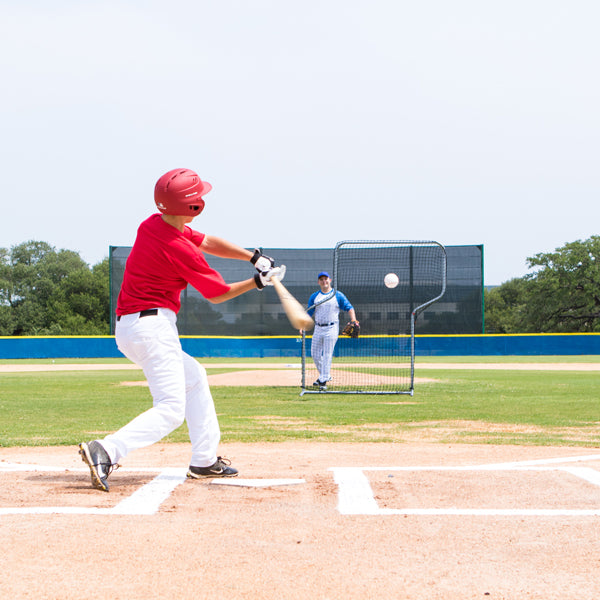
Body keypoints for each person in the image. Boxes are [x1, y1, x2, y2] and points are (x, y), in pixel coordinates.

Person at [79, 168, 284, 492]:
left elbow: (207, 241)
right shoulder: (179, 248)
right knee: (171, 410)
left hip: (133, 328)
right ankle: (106, 450)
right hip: (152, 328)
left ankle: (203, 460)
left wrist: (253, 257)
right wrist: (257, 282)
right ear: (192, 206)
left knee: (195, 377)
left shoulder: (154, 224)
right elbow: (217, 293)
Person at [306, 271, 358, 391]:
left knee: (327, 354)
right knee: (315, 354)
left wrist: (353, 319)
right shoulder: (315, 296)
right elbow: (309, 312)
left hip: (332, 327)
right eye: (321, 279)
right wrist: (302, 326)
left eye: (326, 279)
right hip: (318, 327)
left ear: (330, 280)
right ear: (318, 282)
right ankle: (324, 375)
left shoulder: (337, 295)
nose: (324, 281)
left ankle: (323, 381)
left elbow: (349, 308)